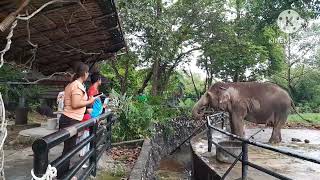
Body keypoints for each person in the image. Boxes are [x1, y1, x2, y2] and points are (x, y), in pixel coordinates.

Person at [57, 62, 96, 179]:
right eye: (88, 72)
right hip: (70, 119)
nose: (88, 74)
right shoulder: (77, 85)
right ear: (84, 73)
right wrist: (89, 101)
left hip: (69, 119)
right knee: (68, 150)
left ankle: (64, 174)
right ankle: (63, 176)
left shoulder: (72, 84)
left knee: (68, 149)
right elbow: (75, 104)